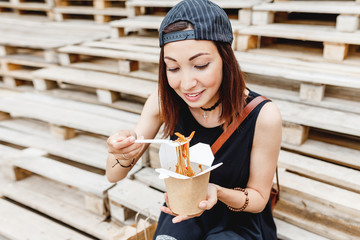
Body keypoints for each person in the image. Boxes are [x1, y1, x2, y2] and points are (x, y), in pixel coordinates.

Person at [106, 0, 282, 239]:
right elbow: (113, 175)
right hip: (181, 208)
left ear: (225, 60)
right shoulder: (162, 102)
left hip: (238, 219)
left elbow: (259, 199)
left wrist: (217, 192)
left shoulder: (262, 114)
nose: (187, 84)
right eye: (173, 68)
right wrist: (120, 153)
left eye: (200, 65)